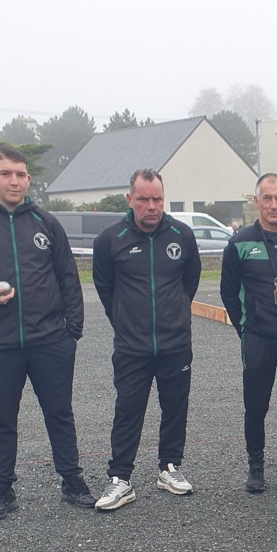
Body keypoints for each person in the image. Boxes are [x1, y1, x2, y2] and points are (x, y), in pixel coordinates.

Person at [0, 145, 95, 520]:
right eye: (6, 173)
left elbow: (68, 279)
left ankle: (71, 480)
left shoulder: (46, 222)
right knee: (1, 418)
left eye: (21, 174)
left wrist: (72, 334)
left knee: (59, 413)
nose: (14, 181)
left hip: (51, 341)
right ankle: (2, 489)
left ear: (29, 179)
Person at [91, 169, 201, 511]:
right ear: (130, 199)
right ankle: (120, 478)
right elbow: (105, 289)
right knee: (128, 409)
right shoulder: (110, 239)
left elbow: (190, 283)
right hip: (131, 346)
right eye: (143, 199)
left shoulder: (182, 235)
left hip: (175, 344)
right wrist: (125, 321)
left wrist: (175, 315)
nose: (151, 206)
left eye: (157, 199)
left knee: (175, 407)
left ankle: (169, 467)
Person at [220, 173, 277, 493]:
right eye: (267, 198)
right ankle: (256, 467)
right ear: (256, 202)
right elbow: (229, 292)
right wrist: (246, 327)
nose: (273, 205)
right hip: (258, 339)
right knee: (256, 406)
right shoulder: (240, 244)